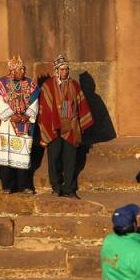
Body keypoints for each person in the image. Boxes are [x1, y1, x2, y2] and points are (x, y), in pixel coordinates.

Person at [38, 54, 93, 199]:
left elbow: (81, 104)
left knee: (70, 159)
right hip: (53, 128)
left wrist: (79, 125)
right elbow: (44, 108)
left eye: (67, 69)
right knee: (54, 157)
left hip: (71, 128)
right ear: (56, 71)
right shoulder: (48, 86)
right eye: (62, 70)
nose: (65, 72)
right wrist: (47, 127)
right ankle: (56, 187)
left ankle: (69, 188)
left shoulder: (74, 85)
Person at [0, 55, 39, 194]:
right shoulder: (2, 84)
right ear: (13, 71)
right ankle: (7, 186)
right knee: (7, 155)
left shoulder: (30, 84)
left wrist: (26, 115)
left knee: (23, 155)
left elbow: (34, 102)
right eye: (21, 69)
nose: (24, 72)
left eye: (23, 69)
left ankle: (23, 185)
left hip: (24, 123)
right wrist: (11, 115)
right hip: (7, 124)